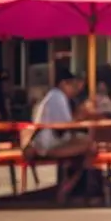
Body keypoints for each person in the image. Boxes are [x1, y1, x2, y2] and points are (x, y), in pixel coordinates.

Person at [27, 69, 96, 202]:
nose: (74, 90)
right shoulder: (57, 96)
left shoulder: (53, 96)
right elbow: (66, 126)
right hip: (47, 146)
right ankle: (70, 185)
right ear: (64, 84)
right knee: (89, 146)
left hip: (46, 143)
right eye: (72, 86)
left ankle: (72, 183)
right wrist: (81, 115)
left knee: (88, 145)